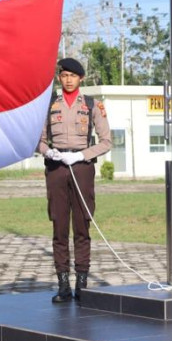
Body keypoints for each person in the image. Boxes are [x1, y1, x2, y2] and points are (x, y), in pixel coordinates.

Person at [37, 58, 111, 303]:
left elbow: (106, 141)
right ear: (60, 77)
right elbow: (37, 138)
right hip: (57, 168)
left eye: (73, 76)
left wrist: (81, 155)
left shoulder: (92, 105)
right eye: (64, 75)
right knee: (59, 228)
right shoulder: (48, 105)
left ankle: (82, 282)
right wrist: (48, 152)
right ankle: (63, 284)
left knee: (81, 227)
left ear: (81, 79)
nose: (68, 80)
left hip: (81, 169)